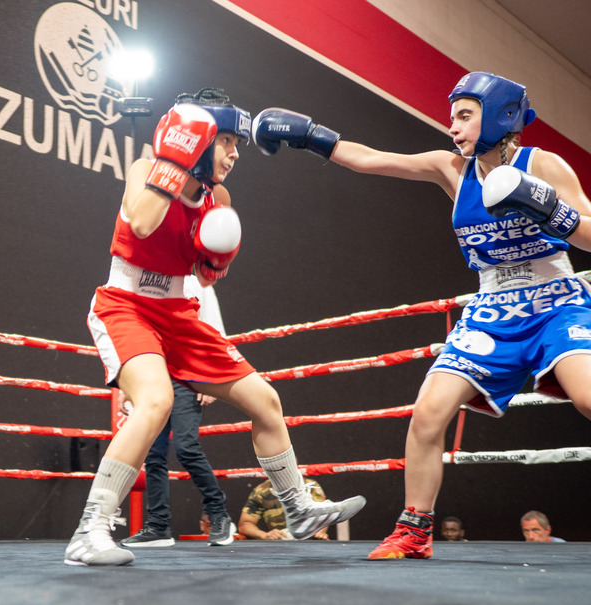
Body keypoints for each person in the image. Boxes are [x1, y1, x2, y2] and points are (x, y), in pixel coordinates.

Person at [251, 72, 591, 560]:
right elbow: (371, 159)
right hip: (492, 308)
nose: (453, 127)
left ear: (501, 117)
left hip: (554, 300)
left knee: (587, 396)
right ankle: (414, 531)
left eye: (465, 116)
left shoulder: (544, 165)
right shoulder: (451, 168)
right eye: (452, 117)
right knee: (429, 412)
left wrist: (553, 212)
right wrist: (310, 136)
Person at [64, 87, 366, 567]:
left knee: (265, 400)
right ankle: (90, 531)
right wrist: (173, 162)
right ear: (198, 137)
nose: (234, 153)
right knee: (156, 401)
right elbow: (141, 224)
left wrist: (217, 261)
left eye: (237, 144)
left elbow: (203, 277)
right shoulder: (146, 169)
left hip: (180, 312)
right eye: (226, 141)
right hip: (127, 304)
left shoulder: (216, 198)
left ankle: (298, 510)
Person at [122, 275, 238, 548]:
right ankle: (158, 526)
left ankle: (219, 515)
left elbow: (214, 329)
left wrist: (211, 378)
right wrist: (129, 386)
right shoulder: (145, 281)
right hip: (153, 376)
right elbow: (137, 335)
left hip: (188, 375)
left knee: (186, 447)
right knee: (154, 454)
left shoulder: (195, 282)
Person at [238, 479, 330, 540]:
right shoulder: (261, 491)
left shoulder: (309, 485)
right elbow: (245, 524)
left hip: (310, 539)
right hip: (280, 543)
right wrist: (264, 535)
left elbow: (325, 512)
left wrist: (320, 531)